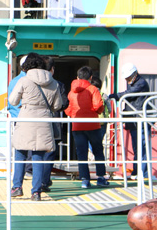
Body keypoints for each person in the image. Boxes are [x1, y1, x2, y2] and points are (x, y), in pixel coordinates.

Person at [8, 53, 63, 201]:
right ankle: (36, 192)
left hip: (26, 120)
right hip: (44, 122)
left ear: (27, 66)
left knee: (20, 154)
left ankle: (17, 187)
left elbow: (12, 101)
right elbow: (57, 106)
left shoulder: (24, 80)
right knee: (38, 157)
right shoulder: (53, 83)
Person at [65, 66, 107, 188]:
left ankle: (85, 180)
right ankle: (100, 178)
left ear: (77, 77)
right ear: (90, 77)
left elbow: (68, 109)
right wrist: (96, 111)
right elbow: (98, 106)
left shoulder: (72, 92)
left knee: (81, 153)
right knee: (98, 151)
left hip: (77, 126)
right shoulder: (93, 89)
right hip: (93, 125)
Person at [109, 63, 151, 178]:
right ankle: (137, 171)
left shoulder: (141, 84)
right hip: (134, 121)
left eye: (128, 77)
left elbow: (129, 94)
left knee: (141, 147)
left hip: (140, 120)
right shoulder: (135, 83)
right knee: (137, 148)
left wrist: (114, 96)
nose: (127, 80)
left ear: (135, 74)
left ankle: (143, 172)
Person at [41, 57, 69, 193]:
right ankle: (44, 181)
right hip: (52, 123)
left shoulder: (32, 83)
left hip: (36, 122)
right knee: (49, 153)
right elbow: (63, 104)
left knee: (35, 153)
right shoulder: (58, 84)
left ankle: (35, 182)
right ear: (52, 69)